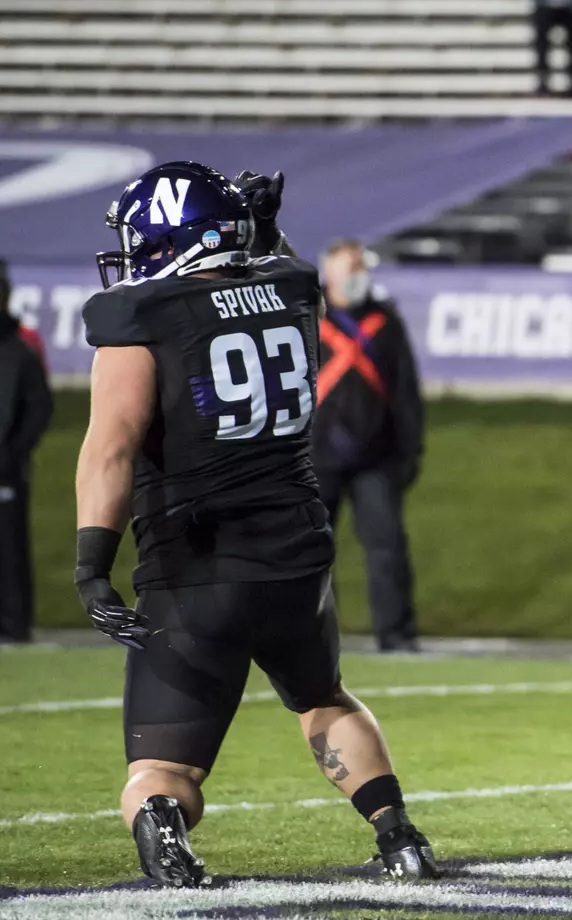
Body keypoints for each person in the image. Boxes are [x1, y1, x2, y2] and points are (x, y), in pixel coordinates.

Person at [74, 163, 438, 886]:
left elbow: (110, 447)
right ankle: (398, 835)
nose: (135, 254)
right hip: (297, 558)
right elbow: (273, 275)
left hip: (196, 566)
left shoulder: (139, 317)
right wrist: (265, 228)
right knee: (323, 698)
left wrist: (91, 563)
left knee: (161, 769)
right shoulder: (297, 289)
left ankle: (164, 831)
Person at [314, 239, 424, 653]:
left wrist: (410, 453)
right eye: (351, 267)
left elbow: (406, 392)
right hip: (314, 456)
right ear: (329, 274)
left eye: (362, 266)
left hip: (375, 456)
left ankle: (397, 634)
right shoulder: (306, 318)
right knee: (312, 554)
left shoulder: (385, 320)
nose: (359, 274)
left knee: (388, 546)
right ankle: (315, 638)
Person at [0, 259, 52, 644]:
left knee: (9, 549)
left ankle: (14, 626)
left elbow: (38, 409)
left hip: (6, 469)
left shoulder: (20, 351)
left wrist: (13, 453)